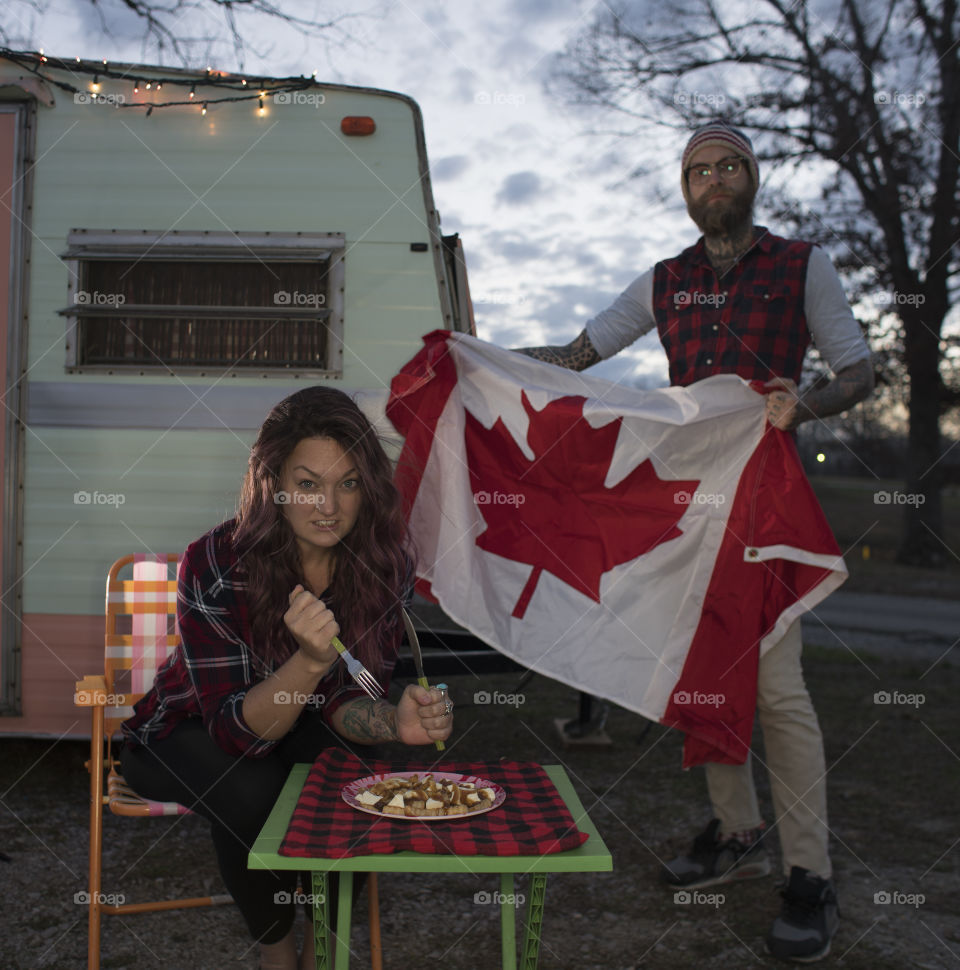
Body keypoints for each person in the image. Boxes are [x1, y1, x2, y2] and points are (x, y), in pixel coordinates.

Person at [516, 121, 873, 963]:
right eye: (697, 170)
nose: (712, 178)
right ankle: (739, 831)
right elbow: (576, 354)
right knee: (699, 673)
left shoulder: (802, 264)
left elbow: (861, 370)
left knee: (778, 692)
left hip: (764, 503)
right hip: (688, 508)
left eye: (727, 165)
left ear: (751, 177)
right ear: (684, 189)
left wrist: (808, 402)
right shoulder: (666, 280)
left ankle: (811, 876)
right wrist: (486, 357)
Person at [121, 387, 454, 970]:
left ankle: (325, 946)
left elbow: (351, 698)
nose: (329, 506)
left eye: (348, 483)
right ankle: (278, 952)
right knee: (254, 790)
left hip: (292, 724)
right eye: (307, 483)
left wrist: (392, 720)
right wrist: (308, 662)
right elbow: (237, 735)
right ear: (272, 483)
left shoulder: (383, 563)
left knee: (353, 780)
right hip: (185, 730)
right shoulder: (217, 561)